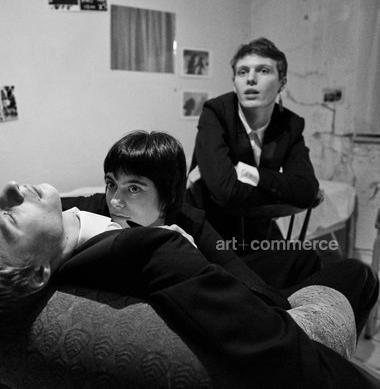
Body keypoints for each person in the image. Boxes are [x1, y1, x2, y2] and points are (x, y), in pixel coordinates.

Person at [0, 179, 380, 389]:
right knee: (352, 271)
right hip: (257, 297)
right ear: (36, 275)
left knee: (298, 257)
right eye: (8, 216)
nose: (12, 188)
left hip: (221, 256)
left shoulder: (44, 245)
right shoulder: (146, 252)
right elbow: (278, 349)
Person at [62, 130, 377, 334]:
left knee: (300, 257)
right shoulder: (95, 209)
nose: (115, 200)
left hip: (222, 276)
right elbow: (47, 209)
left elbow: (244, 280)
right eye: (111, 184)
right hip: (203, 295)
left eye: (133, 188)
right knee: (356, 275)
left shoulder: (188, 220)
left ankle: (301, 319)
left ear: (169, 196)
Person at [186, 37, 323, 283]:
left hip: (257, 231)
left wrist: (251, 174)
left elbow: (306, 190)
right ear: (234, 82)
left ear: (282, 83)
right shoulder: (216, 113)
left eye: (263, 70)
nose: (251, 79)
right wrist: (284, 189)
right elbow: (225, 192)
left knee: (308, 260)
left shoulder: (290, 124)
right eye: (242, 72)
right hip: (209, 234)